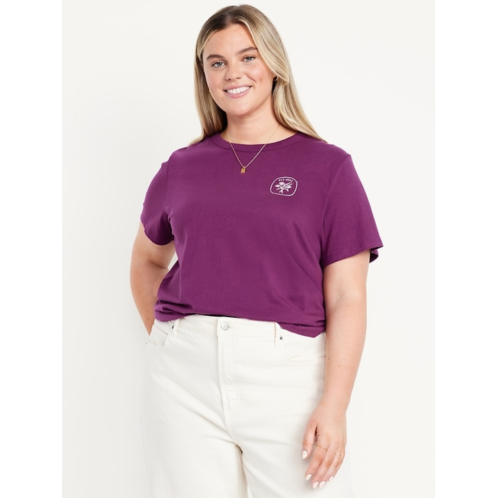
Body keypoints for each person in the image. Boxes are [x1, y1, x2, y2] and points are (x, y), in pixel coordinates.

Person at [130, 4, 383, 498]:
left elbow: (348, 296)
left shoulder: (328, 167)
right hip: (182, 378)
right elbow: (147, 260)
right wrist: (168, 342)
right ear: (204, 76)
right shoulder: (181, 167)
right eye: (217, 62)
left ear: (274, 64)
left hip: (287, 376)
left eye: (248, 57)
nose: (233, 73)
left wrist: (335, 405)